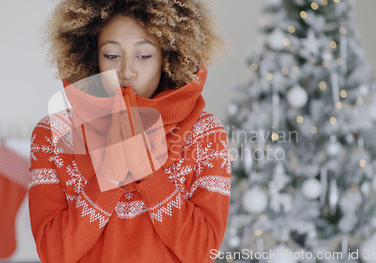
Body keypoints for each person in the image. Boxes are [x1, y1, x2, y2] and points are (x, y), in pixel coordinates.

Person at [29, 0, 232, 262]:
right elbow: (52, 253)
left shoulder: (205, 133)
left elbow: (204, 252)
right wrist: (110, 175)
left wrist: (149, 175)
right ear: (91, 56)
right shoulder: (53, 133)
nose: (126, 72)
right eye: (112, 55)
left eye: (144, 55)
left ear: (168, 57)